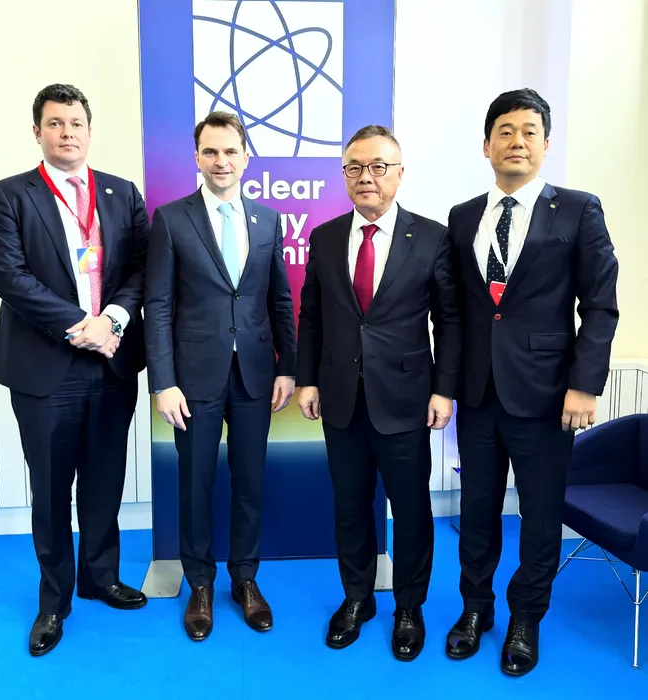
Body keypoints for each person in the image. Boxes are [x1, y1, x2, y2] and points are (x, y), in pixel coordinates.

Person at [445, 88, 619, 676]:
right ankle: (475, 608)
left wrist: (584, 384)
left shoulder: (578, 210)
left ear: (545, 144)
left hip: (548, 397)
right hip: (478, 393)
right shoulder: (463, 216)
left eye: (528, 132)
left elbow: (600, 305)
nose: (516, 141)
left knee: (540, 516)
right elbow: (460, 312)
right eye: (505, 131)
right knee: (477, 511)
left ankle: (526, 618)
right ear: (486, 145)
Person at [0, 84, 149, 657]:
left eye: (76, 122)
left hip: (113, 360)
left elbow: (142, 267)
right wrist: (83, 324)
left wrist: (114, 319)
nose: (67, 132)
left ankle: (101, 578)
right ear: (38, 132)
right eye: (55, 123)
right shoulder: (9, 195)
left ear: (89, 130)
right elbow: (9, 277)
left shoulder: (122, 193)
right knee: (52, 489)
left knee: (104, 478)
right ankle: (53, 601)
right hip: (46, 365)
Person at [295, 125, 461, 661]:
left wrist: (444, 390)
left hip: (407, 400)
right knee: (350, 506)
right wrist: (307, 379)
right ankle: (357, 598)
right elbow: (311, 316)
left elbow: (450, 322)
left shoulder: (432, 237)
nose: (366, 177)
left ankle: (409, 607)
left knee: (410, 510)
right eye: (355, 167)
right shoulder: (324, 237)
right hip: (340, 398)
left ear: (399, 173)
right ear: (345, 175)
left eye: (378, 166)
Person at [144, 111, 296, 641]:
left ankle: (245, 579)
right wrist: (163, 381)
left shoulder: (268, 220)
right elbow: (158, 306)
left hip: (255, 377)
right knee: (196, 484)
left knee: (250, 482)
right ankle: (201, 584)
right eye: (210, 151)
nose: (221, 161)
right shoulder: (170, 220)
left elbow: (280, 300)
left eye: (230, 151)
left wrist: (288, 367)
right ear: (197, 158)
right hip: (192, 380)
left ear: (246, 157)